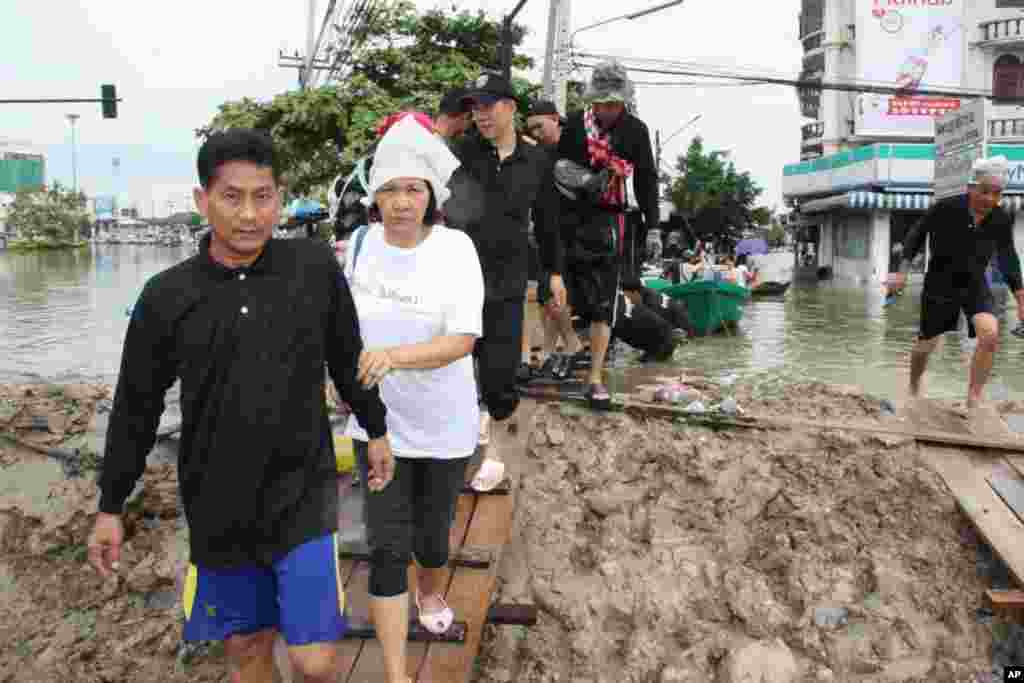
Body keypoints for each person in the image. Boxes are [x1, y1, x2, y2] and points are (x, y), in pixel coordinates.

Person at [87, 129, 394, 683]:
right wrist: (112, 504)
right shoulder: (166, 296)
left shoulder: (313, 268)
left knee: (316, 661)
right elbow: (136, 407)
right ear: (203, 200)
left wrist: (376, 429)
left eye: (263, 196)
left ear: (279, 196)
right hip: (217, 504)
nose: (250, 214)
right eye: (232, 197)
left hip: (303, 493)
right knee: (248, 650)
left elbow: (348, 357)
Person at [342, 114, 484, 683]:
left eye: (413, 190)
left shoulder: (456, 250)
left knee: (432, 535)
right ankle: (398, 675)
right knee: (385, 545)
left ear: (431, 195)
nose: (401, 202)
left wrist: (394, 358)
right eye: (390, 190)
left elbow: (463, 340)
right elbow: (340, 328)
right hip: (378, 426)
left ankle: (430, 593)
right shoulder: (357, 246)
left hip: (445, 422)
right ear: (374, 196)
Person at [445, 73, 566, 444]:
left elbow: (547, 223)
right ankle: (458, 449)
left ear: (510, 107)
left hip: (506, 283)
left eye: (488, 106)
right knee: (456, 374)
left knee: (499, 379)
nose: (480, 116)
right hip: (456, 283)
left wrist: (555, 274)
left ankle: (497, 450)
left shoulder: (536, 161)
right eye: (475, 108)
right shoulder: (459, 154)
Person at [554, 59, 659, 409]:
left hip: (611, 221)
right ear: (593, 101)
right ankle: (566, 348)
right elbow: (556, 171)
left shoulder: (635, 131)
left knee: (602, 302)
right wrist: (584, 180)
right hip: (570, 218)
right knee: (558, 292)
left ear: (624, 102)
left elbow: (645, 180)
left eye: (614, 103)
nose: (607, 109)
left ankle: (596, 376)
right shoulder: (573, 127)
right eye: (602, 103)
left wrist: (654, 227)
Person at [886, 155, 1024, 410]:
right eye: (984, 192)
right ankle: (914, 386)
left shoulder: (1000, 218)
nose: (990, 200)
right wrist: (901, 273)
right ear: (971, 187)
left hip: (974, 283)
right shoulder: (945, 208)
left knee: (990, 333)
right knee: (925, 345)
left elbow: (1008, 259)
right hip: (940, 283)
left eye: (997, 194)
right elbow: (916, 236)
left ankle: (973, 398)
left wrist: (1020, 299)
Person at [526, 99, 586, 368]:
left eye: (540, 126)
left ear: (554, 118)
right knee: (545, 296)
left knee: (552, 294)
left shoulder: (574, 147)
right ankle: (551, 349)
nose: (536, 133)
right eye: (532, 129)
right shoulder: (537, 153)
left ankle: (570, 343)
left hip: (573, 233)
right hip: (544, 231)